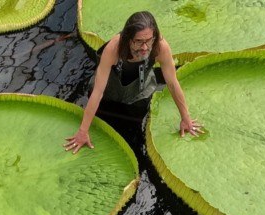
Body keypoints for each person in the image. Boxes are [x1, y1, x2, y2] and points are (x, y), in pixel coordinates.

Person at [64, 11, 202, 153]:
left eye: (149, 40)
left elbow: (172, 83)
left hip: (140, 90)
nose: (145, 47)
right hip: (110, 89)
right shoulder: (113, 49)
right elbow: (98, 91)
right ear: (128, 39)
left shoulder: (160, 47)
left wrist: (186, 118)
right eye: (139, 42)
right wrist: (82, 131)